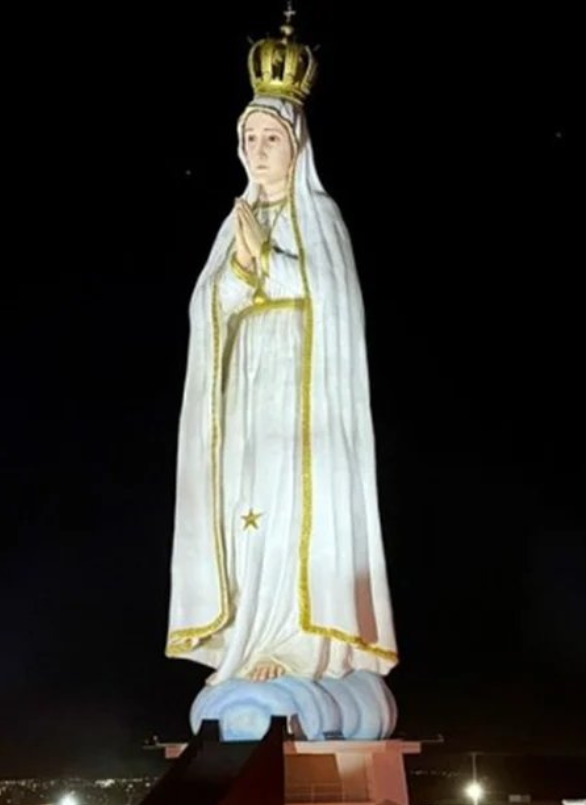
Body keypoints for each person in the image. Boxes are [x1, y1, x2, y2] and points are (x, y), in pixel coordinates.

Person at [166, 12, 398, 740]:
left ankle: (298, 645)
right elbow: (207, 305)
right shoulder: (233, 221)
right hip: (249, 402)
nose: (259, 150)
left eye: (272, 138)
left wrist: (268, 262)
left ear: (297, 145)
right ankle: (247, 640)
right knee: (247, 520)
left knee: (298, 518)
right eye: (250, 139)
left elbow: (333, 302)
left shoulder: (319, 215)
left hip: (303, 399)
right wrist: (237, 269)